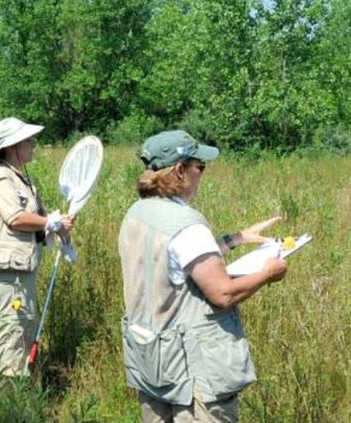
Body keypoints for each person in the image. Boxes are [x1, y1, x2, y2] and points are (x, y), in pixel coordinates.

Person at [117, 130, 288, 423]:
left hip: (152, 359)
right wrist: (268, 273)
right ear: (180, 171)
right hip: (191, 368)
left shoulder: (137, 212)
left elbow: (171, 259)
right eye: (200, 166)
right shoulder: (186, 224)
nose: (202, 174)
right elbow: (223, 293)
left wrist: (235, 239)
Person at [0, 117, 74, 378]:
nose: (33, 144)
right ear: (13, 147)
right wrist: (50, 222)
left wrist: (54, 224)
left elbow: (34, 219)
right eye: (28, 140)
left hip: (20, 270)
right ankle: (11, 393)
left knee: (22, 328)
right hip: (10, 274)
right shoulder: (1, 177)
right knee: (14, 332)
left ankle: (16, 386)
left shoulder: (19, 178)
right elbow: (15, 218)